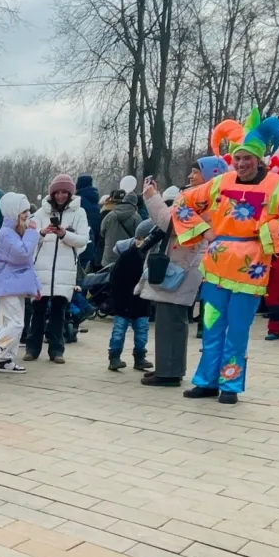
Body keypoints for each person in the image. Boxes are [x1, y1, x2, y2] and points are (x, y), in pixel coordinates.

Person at [171, 108, 279, 404]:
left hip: (250, 272)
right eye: (237, 158)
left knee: (237, 331)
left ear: (259, 158)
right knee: (211, 326)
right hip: (215, 267)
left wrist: (264, 236)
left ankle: (230, 384)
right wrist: (204, 232)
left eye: (246, 158)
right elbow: (183, 202)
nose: (241, 163)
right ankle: (206, 381)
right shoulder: (221, 183)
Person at [137, 160, 225, 388]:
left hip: (184, 264)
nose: (190, 176)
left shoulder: (206, 202)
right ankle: (168, 367)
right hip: (184, 262)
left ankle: (169, 372)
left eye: (196, 172)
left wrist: (151, 196)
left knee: (171, 320)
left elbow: (170, 222)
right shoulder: (205, 199)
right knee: (171, 319)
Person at [25, 173, 89, 364]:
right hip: (41, 268)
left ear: (70, 194)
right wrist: (42, 233)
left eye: (64, 192)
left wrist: (64, 235)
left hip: (64, 269)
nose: (60, 196)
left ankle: (57, 350)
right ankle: (32, 348)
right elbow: (30, 237)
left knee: (59, 313)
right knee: (37, 311)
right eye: (57, 192)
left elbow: (83, 241)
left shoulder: (79, 213)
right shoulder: (40, 213)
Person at [0, 193, 39, 375]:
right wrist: (33, 233)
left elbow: (27, 263)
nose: (27, 214)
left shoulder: (16, 232)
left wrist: (35, 285)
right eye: (24, 211)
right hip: (6, 284)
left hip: (14, 284)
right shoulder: (6, 234)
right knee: (17, 323)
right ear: (14, 212)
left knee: (11, 322)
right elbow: (23, 254)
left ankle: (7, 359)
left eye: (27, 210)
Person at [104, 221, 157, 369]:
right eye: (138, 238)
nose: (140, 241)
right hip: (124, 301)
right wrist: (115, 299)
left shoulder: (151, 257)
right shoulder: (128, 256)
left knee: (142, 332)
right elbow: (115, 279)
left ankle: (139, 356)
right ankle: (114, 356)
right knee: (119, 331)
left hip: (142, 301)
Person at [98, 189, 139, 268]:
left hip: (109, 256)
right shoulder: (136, 218)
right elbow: (139, 237)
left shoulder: (110, 215)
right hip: (126, 257)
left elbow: (102, 232)